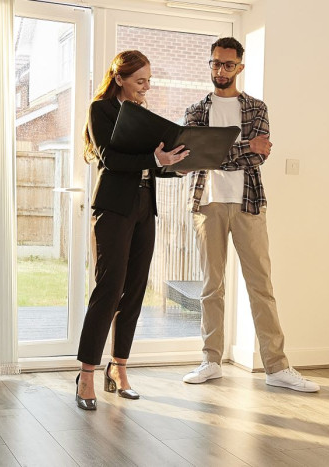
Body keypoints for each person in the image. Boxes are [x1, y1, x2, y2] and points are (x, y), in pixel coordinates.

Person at [181, 37, 319, 393]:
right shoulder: (196, 109)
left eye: (228, 64)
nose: (220, 70)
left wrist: (217, 150)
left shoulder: (256, 108)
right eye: (215, 63)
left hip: (248, 204)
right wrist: (239, 147)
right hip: (207, 204)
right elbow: (197, 157)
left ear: (240, 67)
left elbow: (259, 156)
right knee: (211, 287)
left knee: (262, 286)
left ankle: (276, 366)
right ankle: (211, 360)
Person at [75, 50, 188, 410]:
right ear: (119, 78)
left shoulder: (142, 115)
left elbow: (151, 163)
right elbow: (111, 158)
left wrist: (174, 167)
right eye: (140, 81)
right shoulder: (101, 110)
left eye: (149, 81)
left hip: (144, 208)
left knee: (136, 290)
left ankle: (119, 369)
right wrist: (155, 160)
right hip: (113, 208)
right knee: (109, 289)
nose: (146, 87)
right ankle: (87, 374)